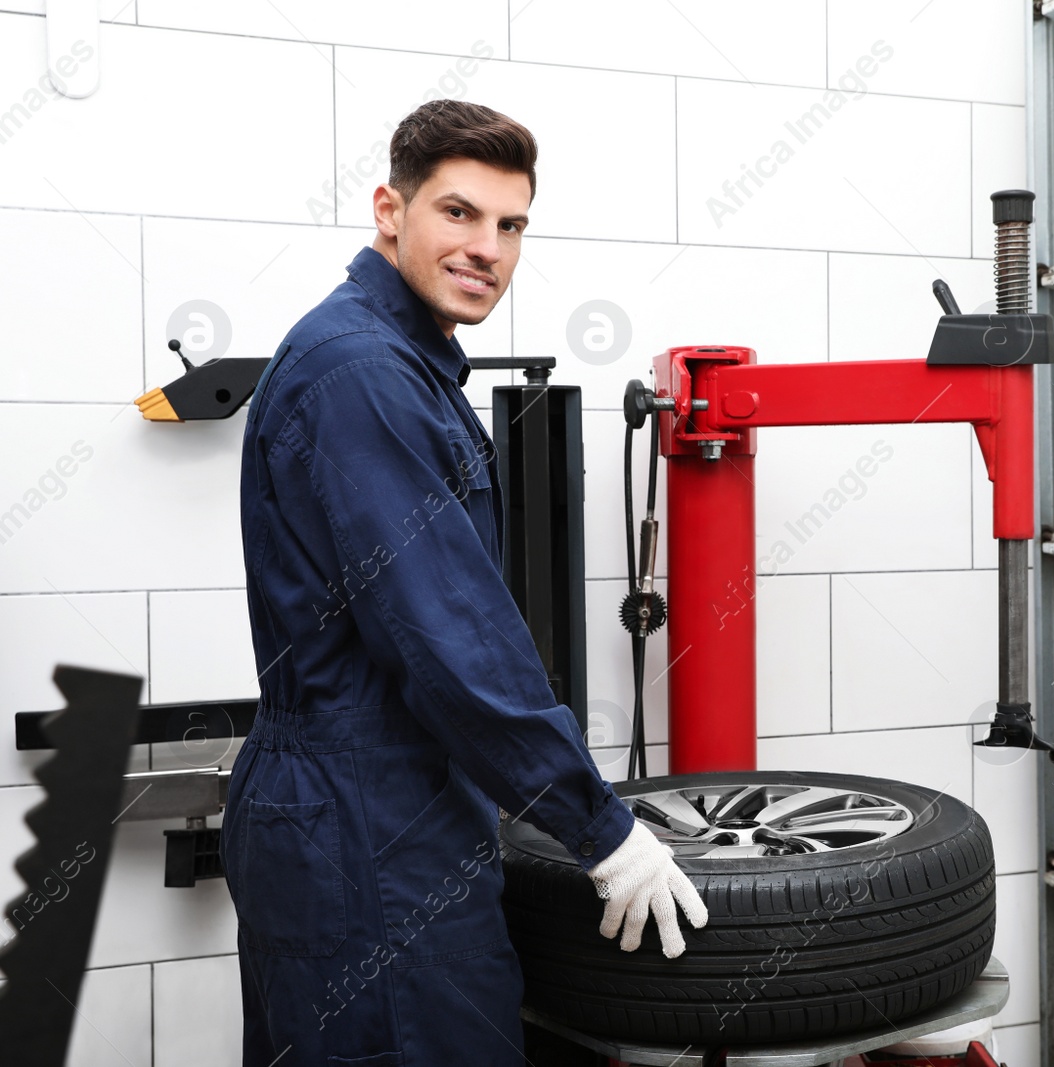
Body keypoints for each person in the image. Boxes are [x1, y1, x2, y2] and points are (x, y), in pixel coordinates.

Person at [223, 98, 707, 1066]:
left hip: (380, 806)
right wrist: (601, 828)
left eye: (510, 224)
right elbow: (446, 635)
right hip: (368, 823)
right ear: (387, 210)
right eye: (458, 213)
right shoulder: (363, 371)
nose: (487, 246)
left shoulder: (404, 357)